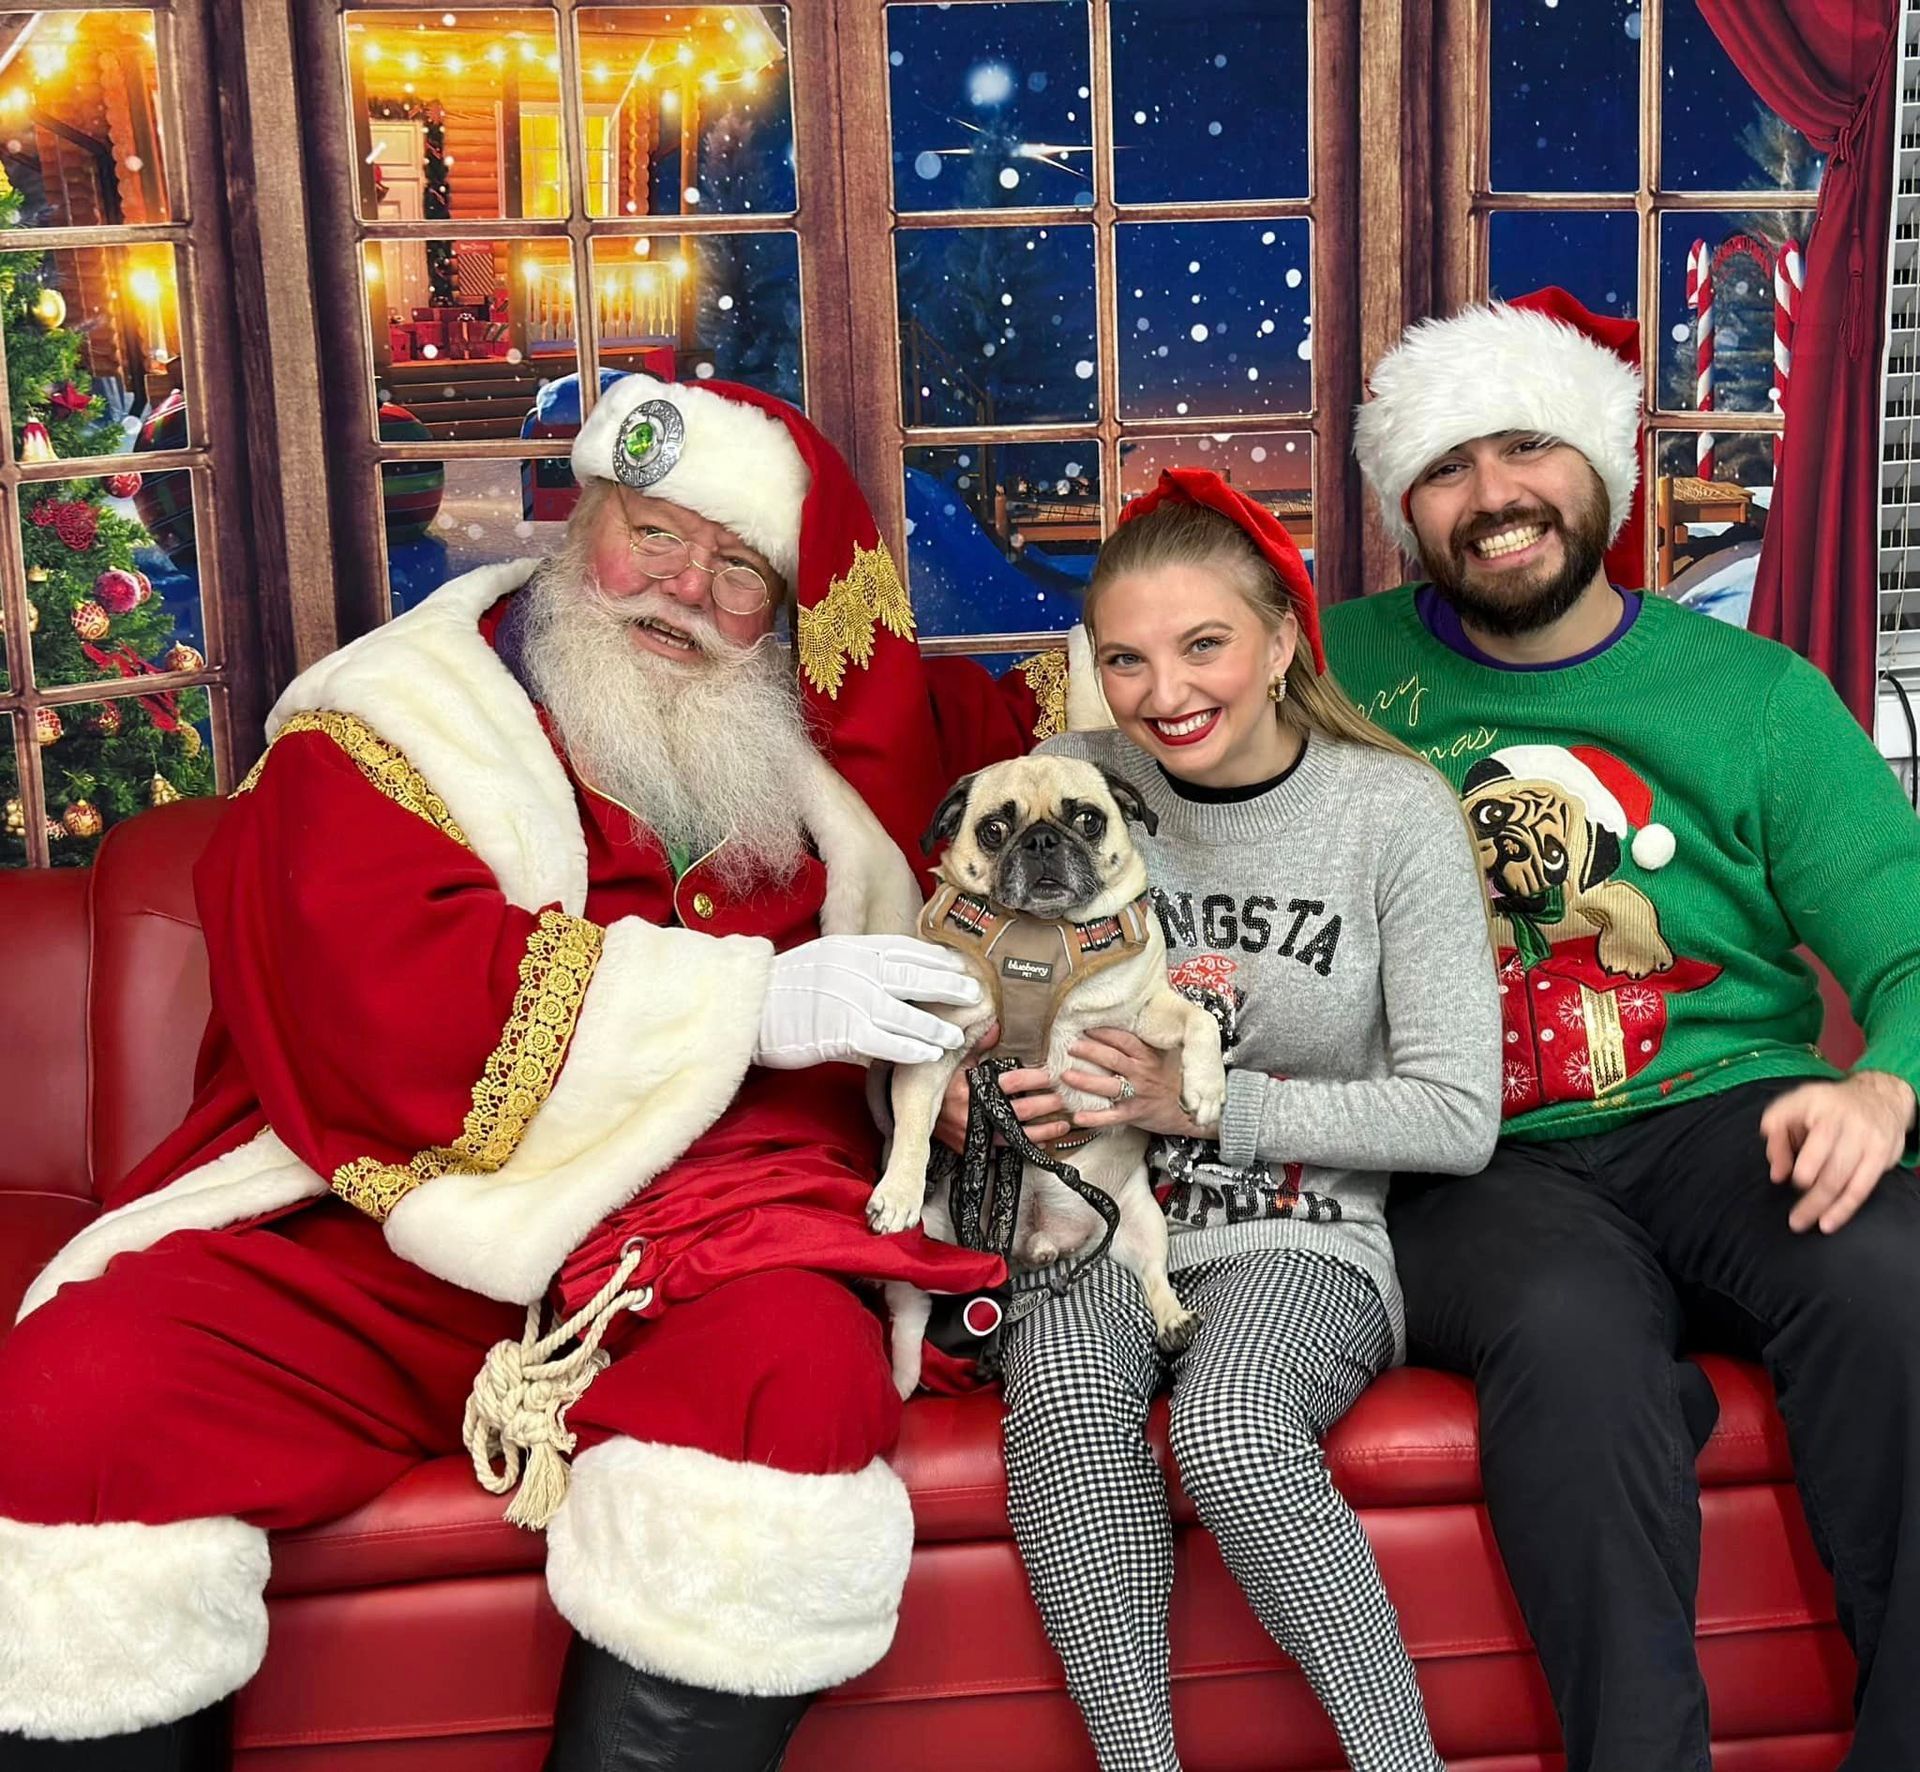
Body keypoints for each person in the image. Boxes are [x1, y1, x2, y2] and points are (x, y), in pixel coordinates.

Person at [0, 373, 1054, 1772]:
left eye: (740, 572)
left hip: (714, 1242)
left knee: (794, 1384)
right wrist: (747, 1004)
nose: (683, 592)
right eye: (655, 536)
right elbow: (372, 986)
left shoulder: (817, 742)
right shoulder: (391, 720)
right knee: (86, 1390)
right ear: (581, 518)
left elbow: (1091, 714)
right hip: (400, 1226)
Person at [1323, 295, 1920, 1772]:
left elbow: (1907, 943)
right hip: (1470, 1140)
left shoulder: (1755, 698)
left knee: (1898, 1284)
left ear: (1606, 465)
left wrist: (1888, 1085)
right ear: (1407, 505)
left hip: (1732, 1110)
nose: (1493, 497)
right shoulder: (1327, 673)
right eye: (1447, 467)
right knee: (1576, 1339)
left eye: (1527, 446)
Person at [953, 468, 1500, 1771]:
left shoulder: (1388, 811)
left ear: (1279, 641)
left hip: (1300, 1225)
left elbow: (1460, 1113)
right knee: (1068, 1428)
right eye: (1127, 659)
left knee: (1232, 1432)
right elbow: (959, 967)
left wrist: (1198, 1101)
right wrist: (984, 1055)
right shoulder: (1058, 786)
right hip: (1090, 1220)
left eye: (1204, 645)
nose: (1165, 692)